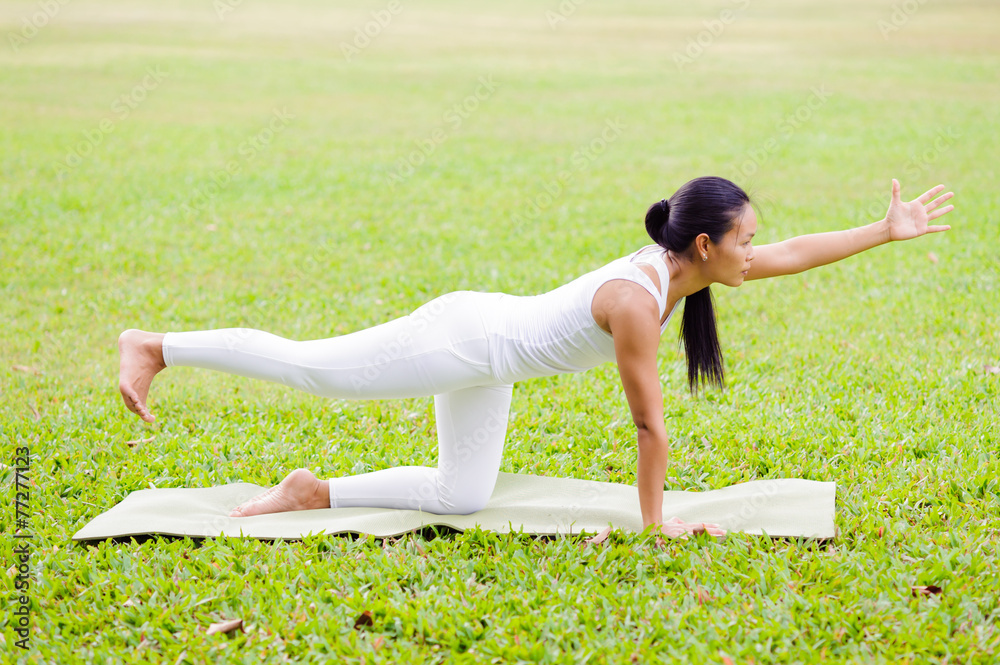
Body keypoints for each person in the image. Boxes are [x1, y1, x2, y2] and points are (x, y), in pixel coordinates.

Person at [117, 176, 954, 539]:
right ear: (706, 244)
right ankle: (156, 344)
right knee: (319, 370)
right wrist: (654, 526)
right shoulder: (638, 299)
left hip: (493, 359)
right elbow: (649, 427)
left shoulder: (686, 271)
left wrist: (883, 231)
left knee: (462, 493)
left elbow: (797, 250)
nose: (754, 255)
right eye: (745, 242)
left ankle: (310, 492)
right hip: (461, 337)